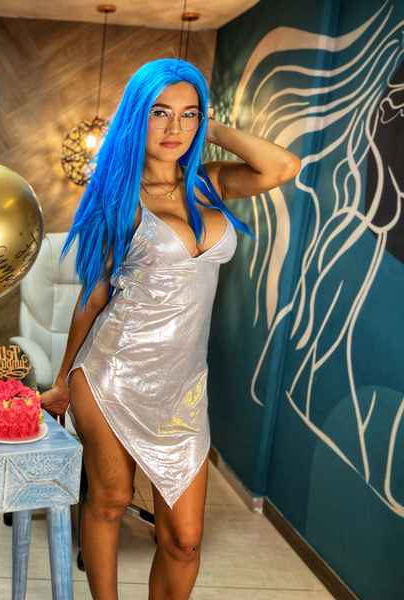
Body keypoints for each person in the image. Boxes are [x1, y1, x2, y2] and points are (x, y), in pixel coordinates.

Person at [39, 58, 301, 600]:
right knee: (110, 502)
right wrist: (64, 379)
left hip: (184, 388)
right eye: (160, 112)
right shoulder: (117, 195)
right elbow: (94, 296)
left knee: (184, 540)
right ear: (138, 116)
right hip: (113, 374)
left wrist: (212, 129)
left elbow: (282, 165)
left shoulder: (210, 182)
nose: (175, 127)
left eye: (189, 114)